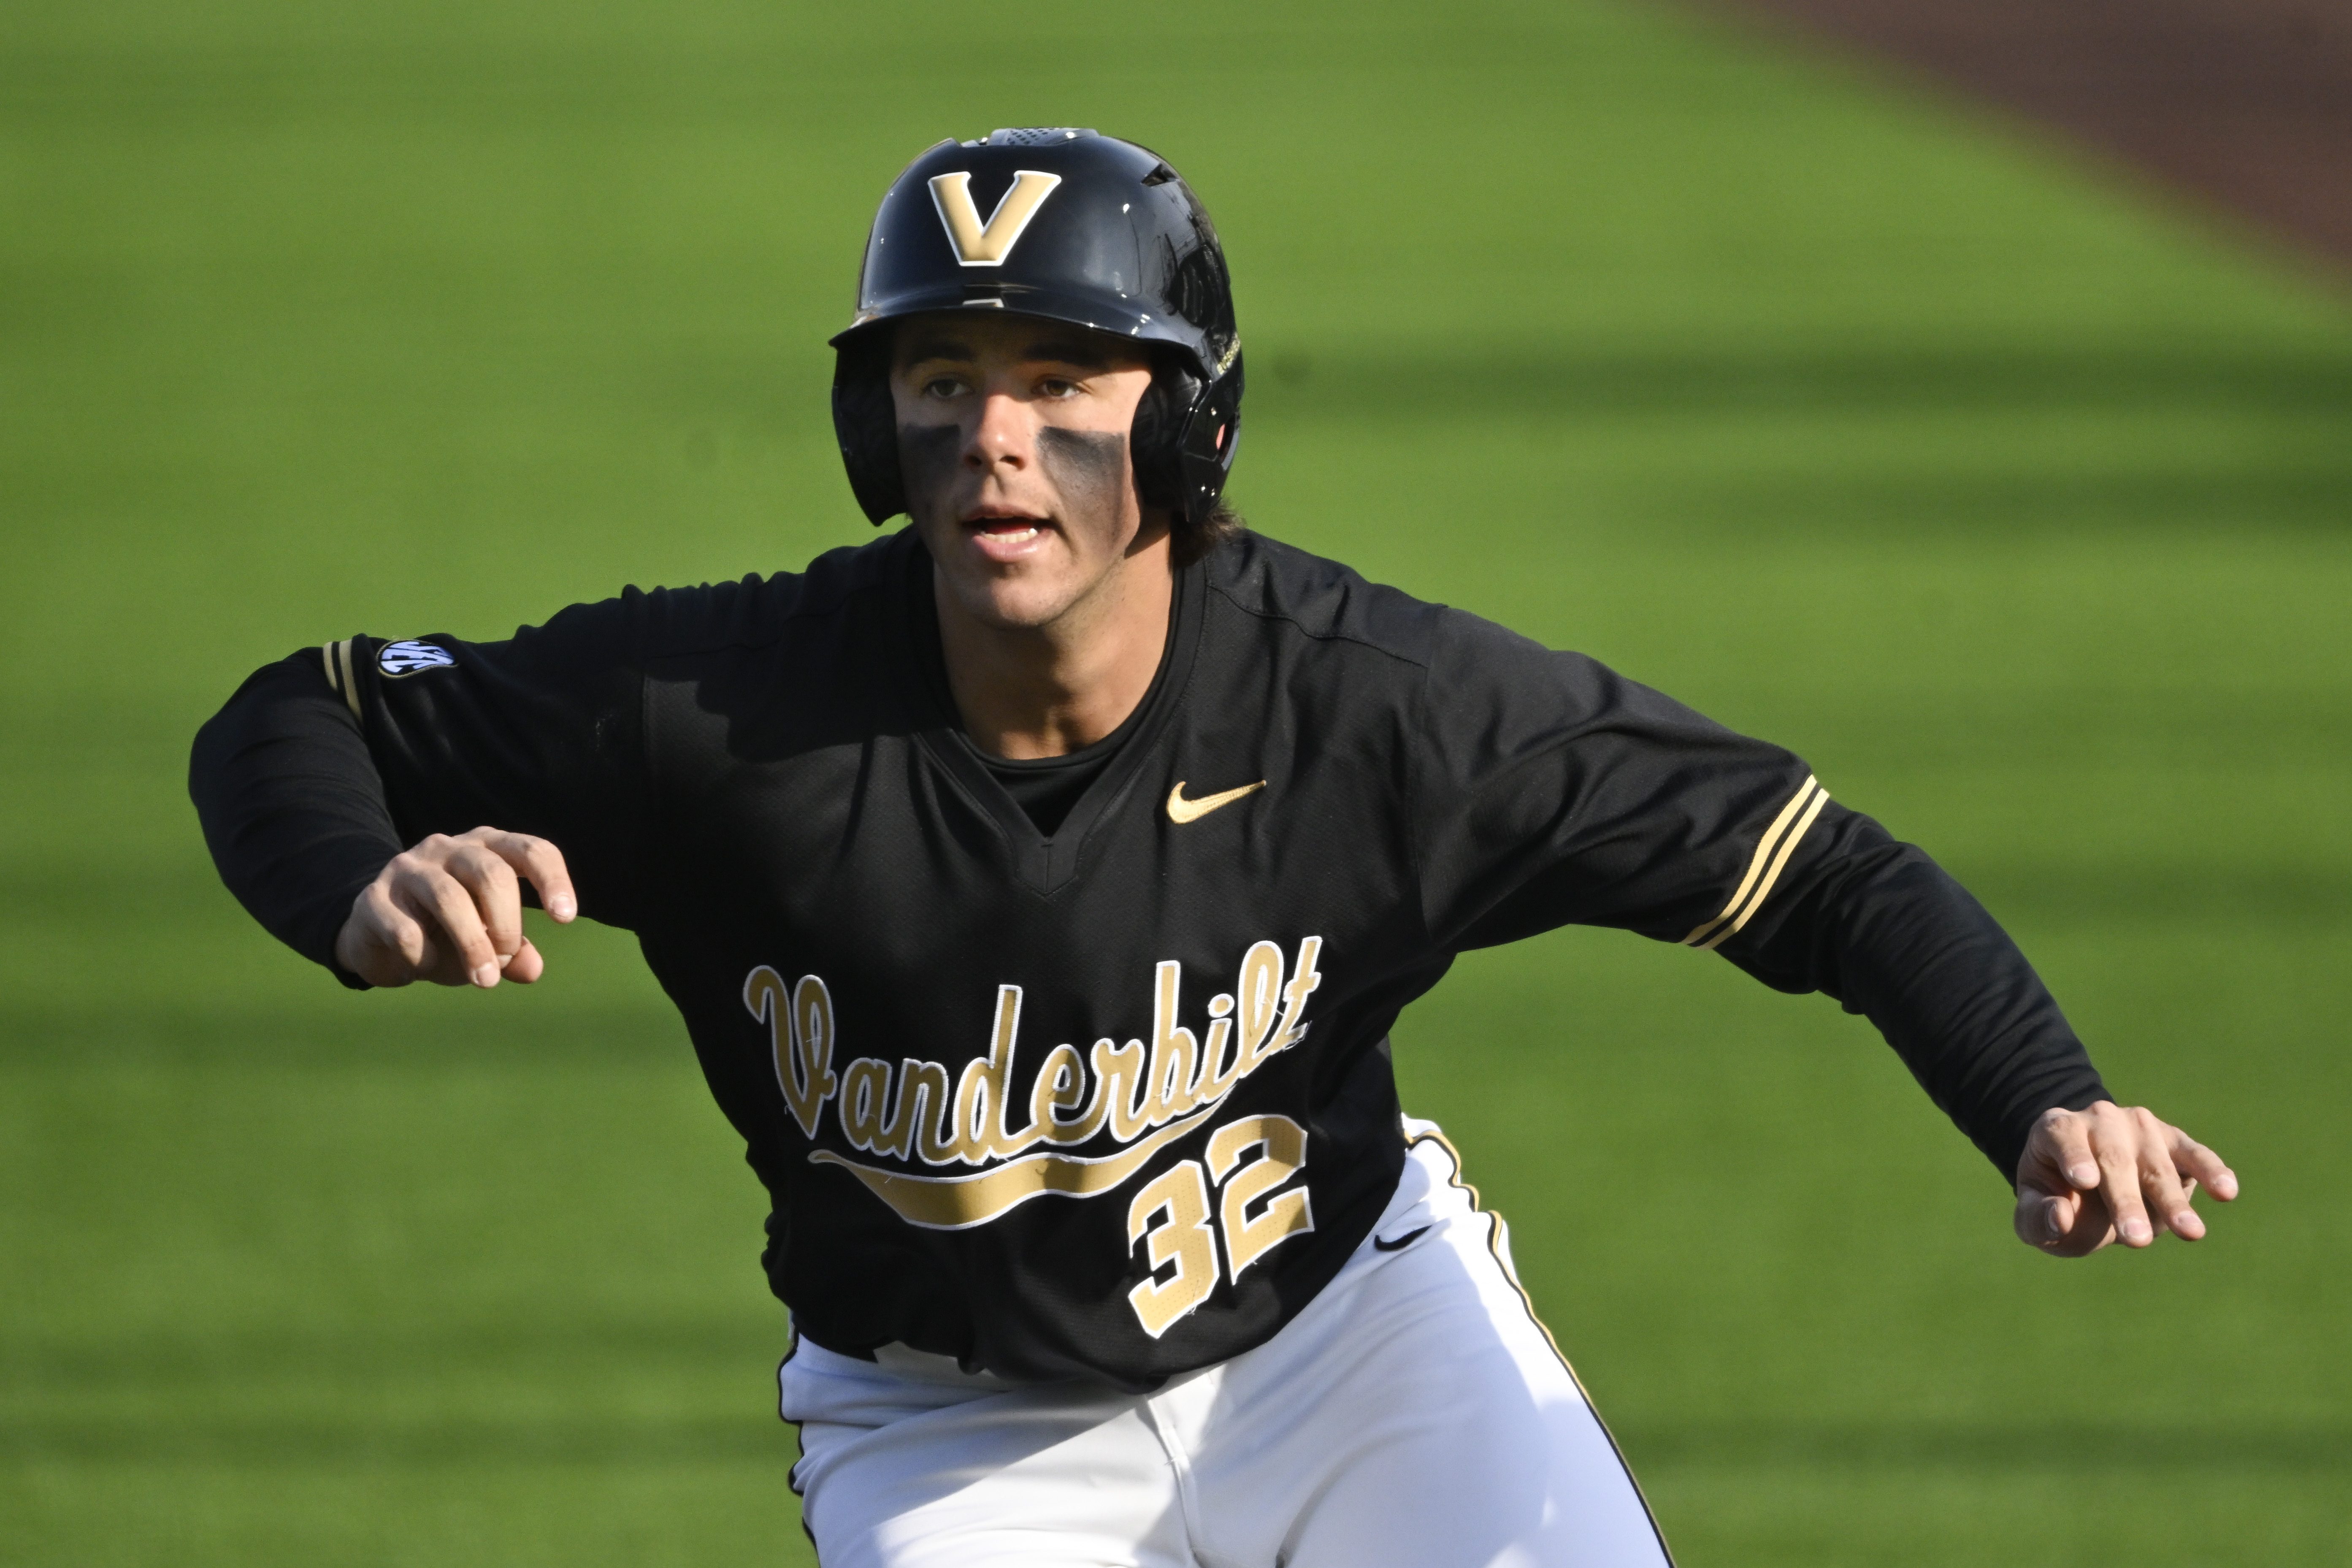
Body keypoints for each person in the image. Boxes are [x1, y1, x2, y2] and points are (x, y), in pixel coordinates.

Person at [191, 129, 2238, 1567]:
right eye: (941, 378)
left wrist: (2040, 1094)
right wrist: (355, 887)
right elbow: (303, 711)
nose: (993, 435)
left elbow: (1815, 868)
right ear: (872, 427)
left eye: (1061, 379)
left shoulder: (1378, 708)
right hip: (952, 1424)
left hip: (1353, 1340)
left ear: (1182, 430)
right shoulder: (729, 709)